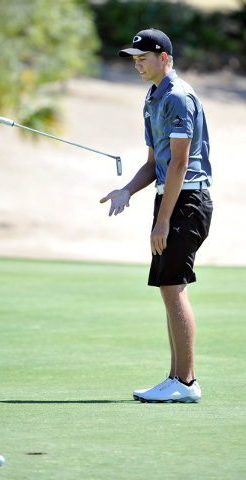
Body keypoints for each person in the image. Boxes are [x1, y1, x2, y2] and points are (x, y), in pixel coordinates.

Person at [100, 28, 213, 403]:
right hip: (171, 200)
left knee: (173, 287)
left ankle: (186, 382)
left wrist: (164, 220)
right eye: (134, 58)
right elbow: (154, 164)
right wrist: (127, 190)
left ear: (163, 57)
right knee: (168, 287)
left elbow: (180, 164)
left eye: (143, 57)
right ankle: (176, 379)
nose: (137, 63)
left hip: (187, 200)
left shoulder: (178, 96)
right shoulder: (153, 97)